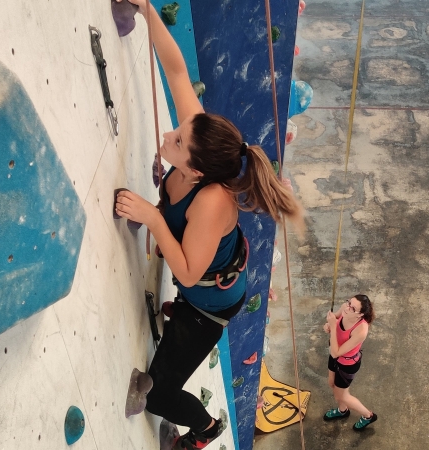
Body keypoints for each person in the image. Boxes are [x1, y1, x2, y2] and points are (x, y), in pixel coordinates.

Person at [113, 0, 303, 447]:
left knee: (158, 392)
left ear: (196, 171)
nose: (169, 137)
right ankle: (178, 319)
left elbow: (189, 273)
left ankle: (203, 429)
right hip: (201, 282)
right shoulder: (200, 145)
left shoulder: (213, 202)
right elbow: (177, 71)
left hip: (209, 308)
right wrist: (145, 9)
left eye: (176, 142)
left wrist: (154, 218)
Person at [322, 294, 377, 431]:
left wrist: (333, 328)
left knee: (342, 396)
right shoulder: (345, 308)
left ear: (360, 314)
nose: (348, 307)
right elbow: (333, 318)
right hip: (334, 355)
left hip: (347, 364)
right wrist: (328, 325)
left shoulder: (361, 329)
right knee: (331, 383)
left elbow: (337, 352)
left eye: (353, 308)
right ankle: (342, 410)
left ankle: (368, 415)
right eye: (349, 302)